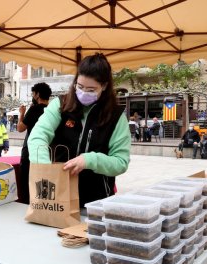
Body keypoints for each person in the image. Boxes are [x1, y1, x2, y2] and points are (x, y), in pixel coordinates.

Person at [28, 53, 131, 206]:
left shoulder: (115, 117)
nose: (83, 93)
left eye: (91, 89)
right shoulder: (60, 105)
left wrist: (90, 160)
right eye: (80, 86)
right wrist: (46, 170)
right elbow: (37, 137)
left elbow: (121, 162)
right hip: (57, 197)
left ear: (104, 86)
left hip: (96, 201)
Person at [17, 82, 52, 204]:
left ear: (37, 94)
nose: (33, 95)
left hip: (31, 150)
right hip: (48, 149)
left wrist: (22, 113)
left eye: (33, 93)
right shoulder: (53, 111)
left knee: (27, 177)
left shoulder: (34, 109)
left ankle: (27, 203)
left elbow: (20, 128)